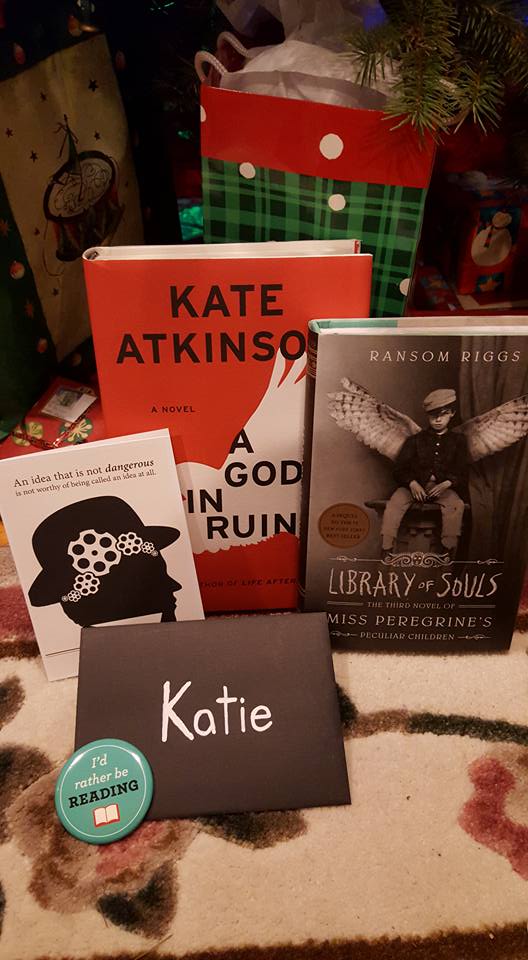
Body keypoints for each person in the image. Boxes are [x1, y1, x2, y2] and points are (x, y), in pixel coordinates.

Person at [381, 388, 469, 559]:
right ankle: (386, 548)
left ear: (452, 413)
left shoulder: (458, 441)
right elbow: (399, 470)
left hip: (443, 490)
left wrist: (447, 483)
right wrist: (412, 483)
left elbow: (462, 471)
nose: (438, 419)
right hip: (413, 488)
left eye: (443, 414)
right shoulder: (415, 440)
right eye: (433, 415)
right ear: (428, 416)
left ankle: (448, 553)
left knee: (456, 505)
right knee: (394, 503)